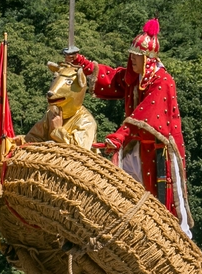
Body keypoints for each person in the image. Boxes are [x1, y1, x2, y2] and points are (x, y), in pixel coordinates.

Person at [68, 19, 192, 235]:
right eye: (131, 54)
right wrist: (81, 63)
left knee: (160, 206)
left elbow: (146, 115)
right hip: (134, 147)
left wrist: (119, 136)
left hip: (156, 151)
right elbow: (111, 78)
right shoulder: (135, 77)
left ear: (148, 59)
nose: (132, 59)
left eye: (137, 56)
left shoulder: (162, 80)